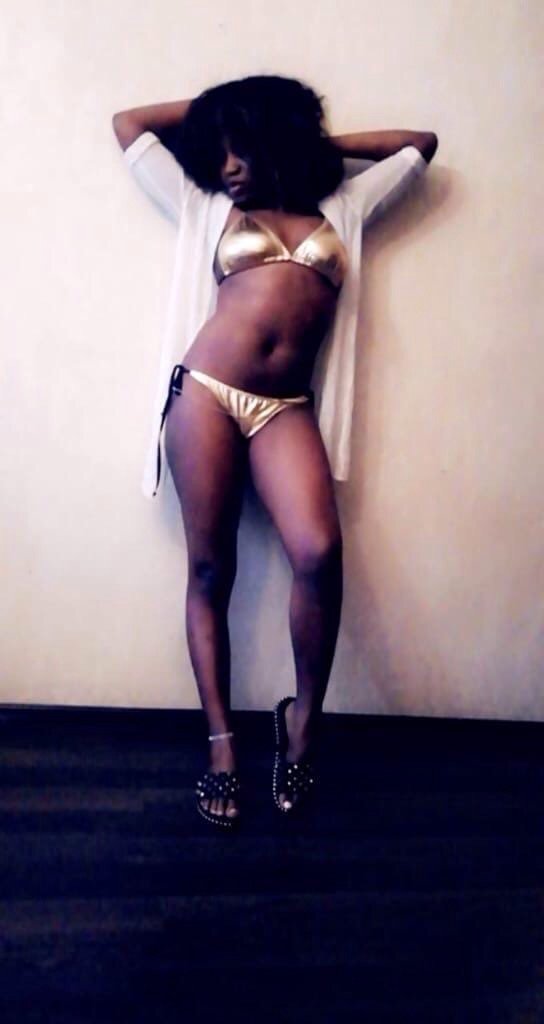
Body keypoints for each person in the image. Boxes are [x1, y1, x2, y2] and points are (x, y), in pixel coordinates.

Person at [112, 74, 438, 829]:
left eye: (243, 148)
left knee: (319, 553)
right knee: (209, 569)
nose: (228, 165)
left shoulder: (343, 206)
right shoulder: (204, 205)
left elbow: (420, 146)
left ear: (276, 141)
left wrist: (310, 145)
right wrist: (221, 112)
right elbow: (129, 125)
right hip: (206, 395)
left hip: (284, 408)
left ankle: (301, 725)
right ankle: (222, 746)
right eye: (219, 150)